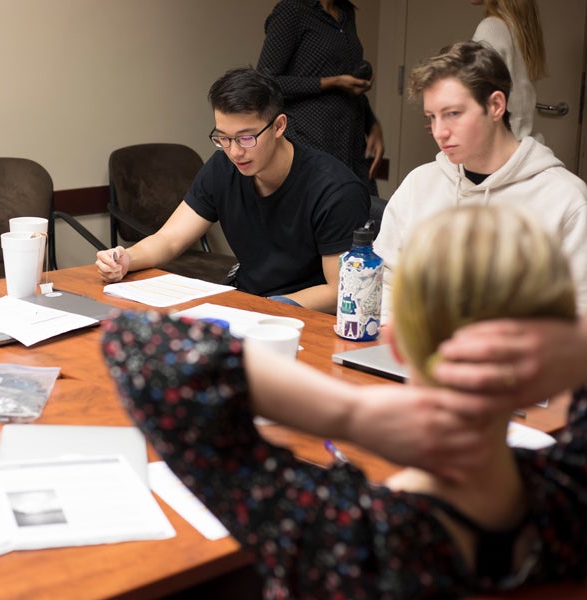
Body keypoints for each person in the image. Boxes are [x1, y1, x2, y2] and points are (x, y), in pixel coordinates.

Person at [103, 204, 587, 597]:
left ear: (395, 343)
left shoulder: (352, 541)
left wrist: (355, 415)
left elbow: (137, 345)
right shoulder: (570, 500)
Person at [95, 67, 369, 314]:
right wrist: (126, 259)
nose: (235, 152)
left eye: (246, 138)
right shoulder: (223, 168)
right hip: (245, 302)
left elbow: (338, 290)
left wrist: (264, 309)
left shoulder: (334, 190)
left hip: (304, 316)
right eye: (223, 138)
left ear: (279, 126)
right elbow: (170, 239)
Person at [374, 41, 587, 320]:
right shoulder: (419, 184)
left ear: (496, 105)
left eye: (453, 114)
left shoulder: (565, 199)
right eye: (432, 117)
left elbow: (579, 314)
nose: (439, 132)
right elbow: (385, 280)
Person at [257, 0, 384, 195]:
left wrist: (372, 124)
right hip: (311, 141)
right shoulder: (292, 10)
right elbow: (266, 82)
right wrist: (331, 82)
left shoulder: (345, 12)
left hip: (352, 142)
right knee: (321, 208)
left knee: (366, 209)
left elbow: (349, 81)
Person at [471, 0, 547, 140]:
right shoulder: (520, 27)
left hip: (497, 144)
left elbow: (477, 95)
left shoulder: (491, 28)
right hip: (518, 141)